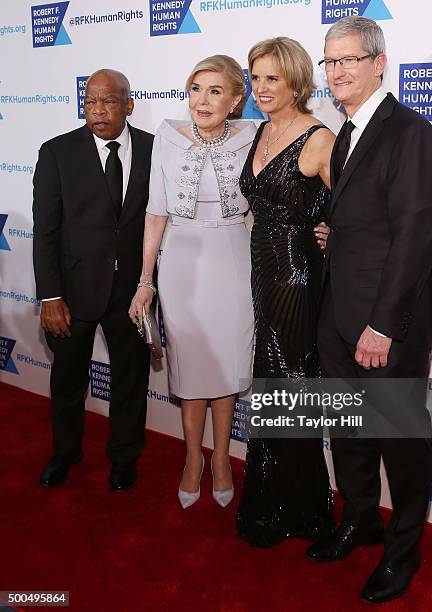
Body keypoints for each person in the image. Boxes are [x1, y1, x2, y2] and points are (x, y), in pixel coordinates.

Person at [306, 17, 432, 605]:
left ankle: (402, 552)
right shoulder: (346, 131)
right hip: (338, 314)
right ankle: (361, 522)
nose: (337, 72)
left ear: (379, 63)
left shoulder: (410, 133)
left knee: (400, 441)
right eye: (330, 61)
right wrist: (333, 234)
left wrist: (382, 325)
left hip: (386, 323)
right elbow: (371, 219)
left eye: (349, 60)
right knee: (348, 432)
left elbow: (415, 236)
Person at [129, 55, 256, 509]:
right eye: (196, 88)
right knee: (189, 365)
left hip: (233, 259)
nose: (203, 100)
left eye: (216, 90)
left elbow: (270, 205)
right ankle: (191, 460)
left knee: (224, 366)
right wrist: (146, 281)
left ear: (237, 99)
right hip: (182, 261)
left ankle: (221, 459)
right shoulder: (166, 138)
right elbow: (155, 212)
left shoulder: (253, 138)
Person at [236, 37, 336, 547]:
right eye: (256, 78)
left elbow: (357, 206)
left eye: (272, 78)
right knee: (272, 377)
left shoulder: (319, 138)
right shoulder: (260, 131)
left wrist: (329, 230)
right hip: (263, 269)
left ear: (297, 79)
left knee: (292, 380)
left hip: (296, 274)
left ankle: (303, 510)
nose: (262, 88)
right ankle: (275, 502)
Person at [33, 69, 153, 491]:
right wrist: (50, 296)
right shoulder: (57, 152)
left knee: (131, 381)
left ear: (129, 104)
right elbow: (45, 230)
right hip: (73, 292)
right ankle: (65, 453)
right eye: (89, 102)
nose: (97, 111)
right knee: (66, 381)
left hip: (133, 296)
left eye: (108, 102)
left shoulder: (156, 151)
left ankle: (124, 457)